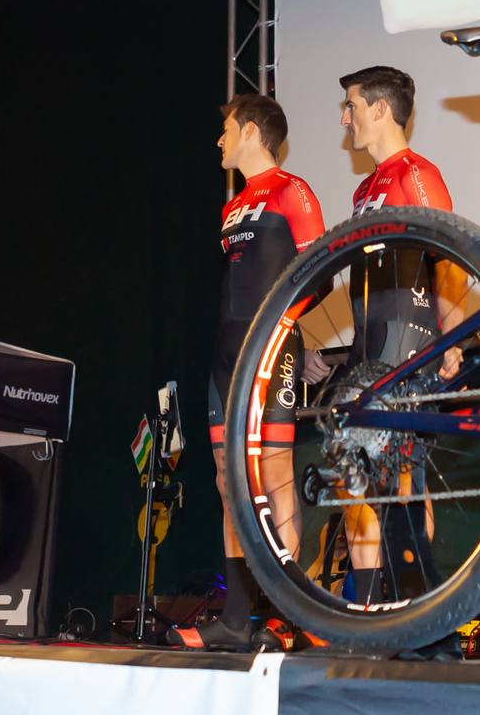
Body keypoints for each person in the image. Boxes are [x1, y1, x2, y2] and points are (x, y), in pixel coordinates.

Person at [176, 95, 324, 650]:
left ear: (253, 132)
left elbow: (320, 273)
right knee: (227, 479)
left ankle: (291, 612)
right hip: (224, 351)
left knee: (277, 472)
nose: (219, 140)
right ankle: (237, 618)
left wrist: (284, 328)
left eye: (226, 129)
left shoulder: (293, 189)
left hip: (271, 346)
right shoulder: (232, 205)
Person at [335, 66, 458, 605]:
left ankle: (411, 606)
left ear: (381, 109)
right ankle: (367, 611)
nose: (346, 118)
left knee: (404, 483)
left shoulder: (418, 172)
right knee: (354, 480)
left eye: (352, 106)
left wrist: (452, 339)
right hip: (367, 344)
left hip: (410, 341)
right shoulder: (365, 187)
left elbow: (450, 258)